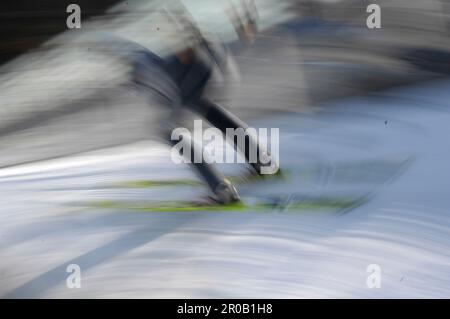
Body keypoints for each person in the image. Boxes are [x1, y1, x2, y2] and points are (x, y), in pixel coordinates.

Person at [129, 5, 279, 204]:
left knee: (170, 131)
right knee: (213, 114)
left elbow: (180, 48)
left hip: (188, 71)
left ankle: (221, 190)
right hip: (203, 63)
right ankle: (263, 161)